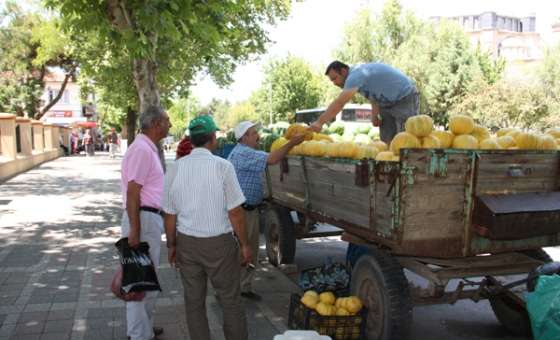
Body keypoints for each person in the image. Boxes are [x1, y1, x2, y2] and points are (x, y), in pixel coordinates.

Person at [162, 115, 252, 340]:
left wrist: (172, 245)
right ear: (212, 138)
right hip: (220, 245)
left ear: (191, 140)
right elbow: (235, 212)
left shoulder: (174, 169)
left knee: (194, 303)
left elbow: (170, 214)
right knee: (230, 301)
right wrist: (244, 245)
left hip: (187, 244)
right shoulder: (223, 167)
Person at [227, 121, 305, 301]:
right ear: (244, 137)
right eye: (254, 133)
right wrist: (292, 143)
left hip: (247, 210)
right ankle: (236, 289)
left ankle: (241, 287)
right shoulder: (244, 153)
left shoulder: (243, 152)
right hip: (244, 213)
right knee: (244, 251)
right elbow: (272, 159)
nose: (258, 137)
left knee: (247, 251)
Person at [120, 105, 171, 340]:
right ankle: (138, 335)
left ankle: (145, 329)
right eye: (167, 121)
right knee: (139, 281)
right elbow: (133, 192)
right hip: (142, 218)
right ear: (156, 123)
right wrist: (135, 230)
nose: (170, 125)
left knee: (146, 279)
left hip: (147, 218)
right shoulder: (141, 149)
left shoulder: (146, 148)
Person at [310, 60, 419, 143]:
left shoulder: (355, 76)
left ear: (343, 71)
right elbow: (373, 96)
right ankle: (389, 167)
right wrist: (374, 115)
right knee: (387, 141)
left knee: (406, 139)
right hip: (386, 104)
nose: (334, 83)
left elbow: (339, 103)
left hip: (405, 97)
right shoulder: (360, 76)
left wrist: (320, 122)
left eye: (334, 78)